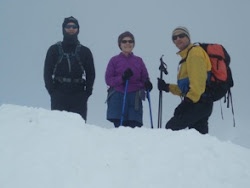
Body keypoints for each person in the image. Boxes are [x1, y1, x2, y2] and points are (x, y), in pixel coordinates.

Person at [157, 26, 213, 134]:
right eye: (174, 37)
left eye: (181, 35)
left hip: (199, 102)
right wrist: (167, 87)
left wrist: (187, 103)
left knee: (171, 128)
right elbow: (186, 88)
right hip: (200, 103)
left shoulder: (195, 53)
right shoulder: (186, 57)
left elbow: (198, 84)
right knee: (197, 136)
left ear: (188, 37)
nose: (178, 39)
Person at [44, 16, 95, 121]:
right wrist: (52, 91)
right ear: (63, 29)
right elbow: (47, 72)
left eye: (74, 26)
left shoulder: (85, 52)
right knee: (57, 127)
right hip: (59, 93)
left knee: (78, 129)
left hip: (79, 94)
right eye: (68, 26)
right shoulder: (54, 50)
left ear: (78, 29)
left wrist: (87, 93)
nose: (71, 29)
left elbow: (91, 73)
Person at [105, 31, 153, 128]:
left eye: (130, 41)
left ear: (133, 44)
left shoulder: (139, 61)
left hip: (134, 97)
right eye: (124, 41)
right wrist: (122, 78)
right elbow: (108, 80)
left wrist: (147, 84)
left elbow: (145, 78)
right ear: (120, 44)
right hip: (118, 96)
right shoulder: (114, 60)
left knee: (134, 127)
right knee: (120, 127)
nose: (127, 43)